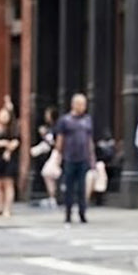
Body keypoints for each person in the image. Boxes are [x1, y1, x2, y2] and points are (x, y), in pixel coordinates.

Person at [54, 93, 95, 225]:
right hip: (69, 157)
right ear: (74, 105)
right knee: (69, 187)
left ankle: (82, 213)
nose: (82, 107)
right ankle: (68, 214)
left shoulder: (87, 120)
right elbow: (60, 139)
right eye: (80, 104)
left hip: (83, 157)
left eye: (84, 104)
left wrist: (92, 157)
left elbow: (89, 139)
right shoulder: (65, 120)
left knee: (82, 187)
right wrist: (58, 155)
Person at [0, 108, 21, 218]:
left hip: (9, 160)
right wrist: (3, 143)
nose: (3, 117)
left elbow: (15, 143)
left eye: (5, 115)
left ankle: (7, 209)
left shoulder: (13, 130)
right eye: (1, 115)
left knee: (8, 184)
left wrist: (7, 149)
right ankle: (0, 207)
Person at [30, 106, 60, 207]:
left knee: (47, 173)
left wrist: (44, 135)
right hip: (52, 154)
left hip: (56, 154)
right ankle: (53, 196)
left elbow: (51, 142)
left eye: (47, 114)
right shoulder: (52, 127)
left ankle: (53, 197)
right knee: (49, 174)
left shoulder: (55, 128)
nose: (46, 116)